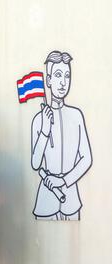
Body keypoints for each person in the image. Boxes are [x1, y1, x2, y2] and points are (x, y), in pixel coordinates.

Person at [31, 51, 92, 221]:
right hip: (46, 197)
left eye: (67, 76)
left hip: (71, 198)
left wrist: (64, 180)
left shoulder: (76, 115)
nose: (63, 82)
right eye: (58, 75)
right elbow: (35, 163)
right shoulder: (39, 119)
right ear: (48, 80)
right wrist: (44, 130)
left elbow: (86, 158)